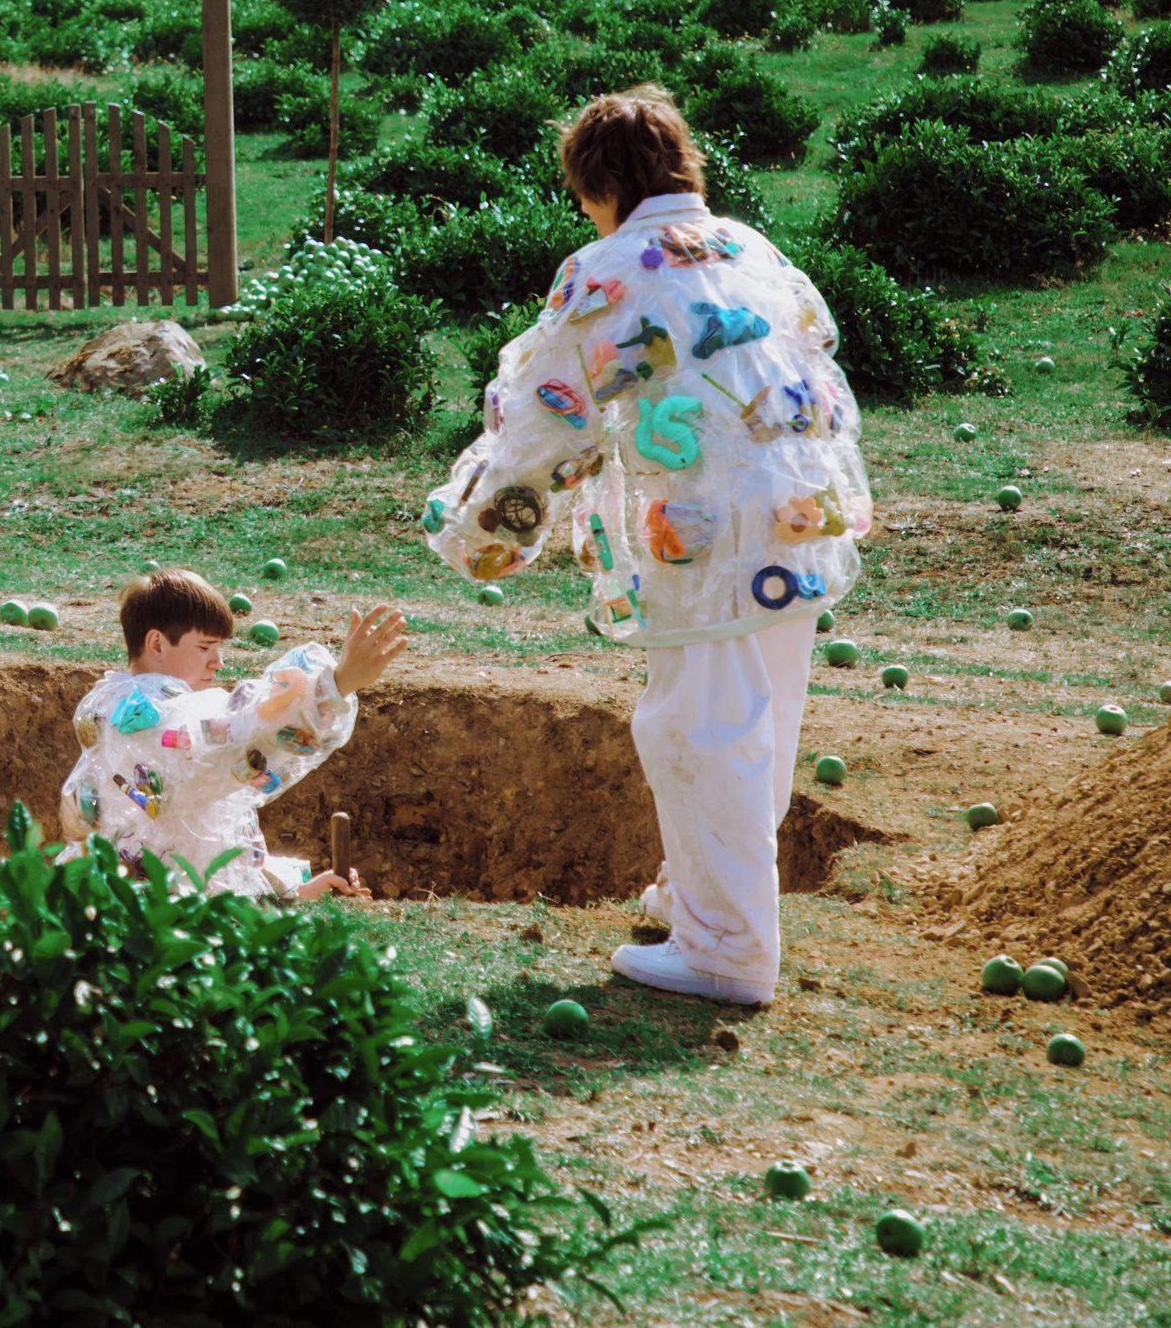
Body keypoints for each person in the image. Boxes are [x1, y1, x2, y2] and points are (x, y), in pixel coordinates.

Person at [418, 85, 873, 1007]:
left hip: (695, 534)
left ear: (594, 184)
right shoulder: (751, 247)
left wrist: (472, 528)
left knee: (698, 728)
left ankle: (727, 950)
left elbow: (548, 414)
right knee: (763, 720)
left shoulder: (604, 269)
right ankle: (697, 892)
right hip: (798, 517)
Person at [58, 568, 408, 899]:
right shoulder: (143, 715)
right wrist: (336, 682)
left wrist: (297, 891)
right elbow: (229, 738)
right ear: (157, 644)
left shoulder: (122, 705)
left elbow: (206, 840)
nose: (218, 662)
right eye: (205, 647)